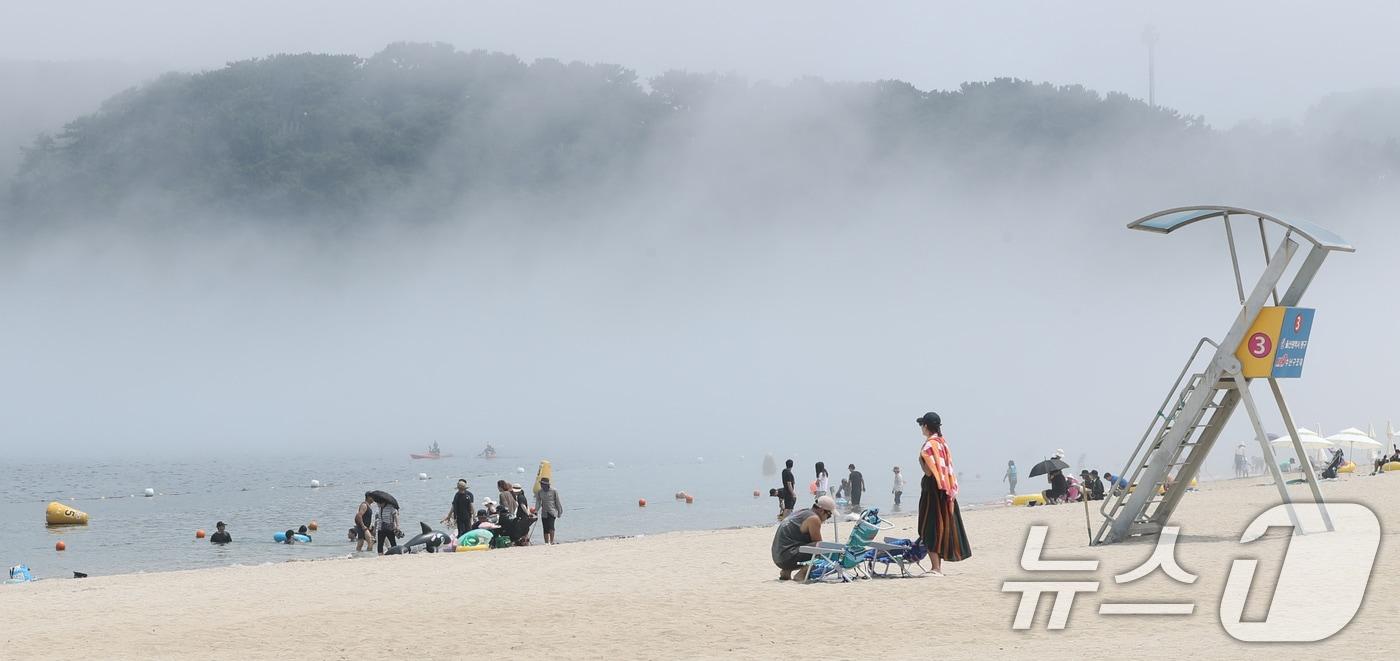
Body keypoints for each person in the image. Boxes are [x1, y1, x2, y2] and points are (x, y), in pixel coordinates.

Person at [916, 412, 971, 575]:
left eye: (922, 425)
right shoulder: (942, 443)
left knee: (929, 526)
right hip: (946, 489)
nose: (921, 428)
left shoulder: (928, 446)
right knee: (942, 525)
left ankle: (935, 568)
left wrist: (920, 461)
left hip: (932, 490)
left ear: (926, 426)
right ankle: (937, 567)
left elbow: (928, 472)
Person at [770, 495, 837, 581]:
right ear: (821, 510)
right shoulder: (814, 519)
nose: (827, 519)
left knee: (804, 543)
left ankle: (786, 571)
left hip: (778, 556)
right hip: (787, 557)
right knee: (822, 547)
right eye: (828, 515)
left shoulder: (801, 512)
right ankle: (802, 574)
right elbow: (818, 544)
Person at [535, 477, 563, 544]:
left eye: (543, 484)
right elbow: (538, 502)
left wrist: (559, 512)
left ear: (547, 484)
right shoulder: (540, 492)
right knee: (545, 528)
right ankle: (546, 542)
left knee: (551, 526)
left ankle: (552, 541)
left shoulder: (554, 491)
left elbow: (557, 501)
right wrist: (536, 510)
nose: (541, 485)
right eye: (541, 484)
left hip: (552, 511)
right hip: (544, 512)